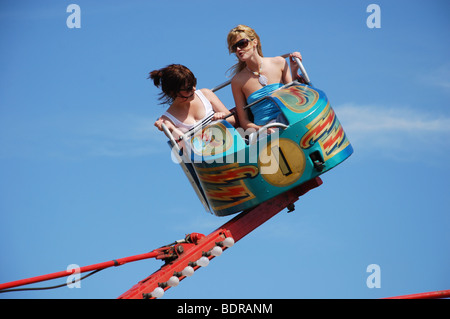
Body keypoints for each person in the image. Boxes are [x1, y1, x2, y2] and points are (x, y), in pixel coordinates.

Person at [226, 25, 303, 132]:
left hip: (289, 120)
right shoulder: (237, 81)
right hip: (265, 130)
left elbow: (293, 97)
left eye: (242, 43)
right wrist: (262, 129)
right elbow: (244, 122)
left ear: (254, 42)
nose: (238, 49)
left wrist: (294, 71)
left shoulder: (279, 62)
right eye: (234, 47)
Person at [150, 64, 235, 140]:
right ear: (173, 92)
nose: (194, 89)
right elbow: (184, 147)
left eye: (194, 83)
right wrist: (172, 129)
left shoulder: (205, 94)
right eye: (188, 88)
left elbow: (232, 120)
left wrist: (222, 118)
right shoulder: (167, 119)